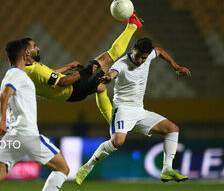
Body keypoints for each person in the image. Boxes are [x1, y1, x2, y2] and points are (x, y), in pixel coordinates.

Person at [75, 38, 191, 185]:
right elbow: (112, 72)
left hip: (139, 110)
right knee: (117, 142)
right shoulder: (122, 64)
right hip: (122, 109)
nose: (141, 61)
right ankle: (88, 166)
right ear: (132, 50)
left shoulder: (147, 57)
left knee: (172, 129)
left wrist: (176, 66)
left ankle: (167, 169)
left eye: (144, 58)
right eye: (138, 57)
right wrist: (108, 77)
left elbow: (160, 51)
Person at [0, 40, 69, 191]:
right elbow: (5, 95)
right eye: (34, 47)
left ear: (7, 59)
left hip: (13, 136)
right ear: (25, 54)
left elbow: (2, 99)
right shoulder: (17, 75)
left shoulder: (13, 75)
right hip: (28, 135)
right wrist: (1, 122)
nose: (37, 49)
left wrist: (2, 121)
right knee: (62, 168)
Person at [23, 12, 144, 124]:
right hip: (73, 87)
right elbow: (63, 82)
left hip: (71, 95)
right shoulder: (35, 69)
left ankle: (114, 122)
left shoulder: (24, 70)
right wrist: (85, 72)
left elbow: (47, 75)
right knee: (105, 59)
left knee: (101, 87)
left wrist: (68, 66)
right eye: (35, 46)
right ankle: (133, 25)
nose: (38, 49)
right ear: (27, 52)